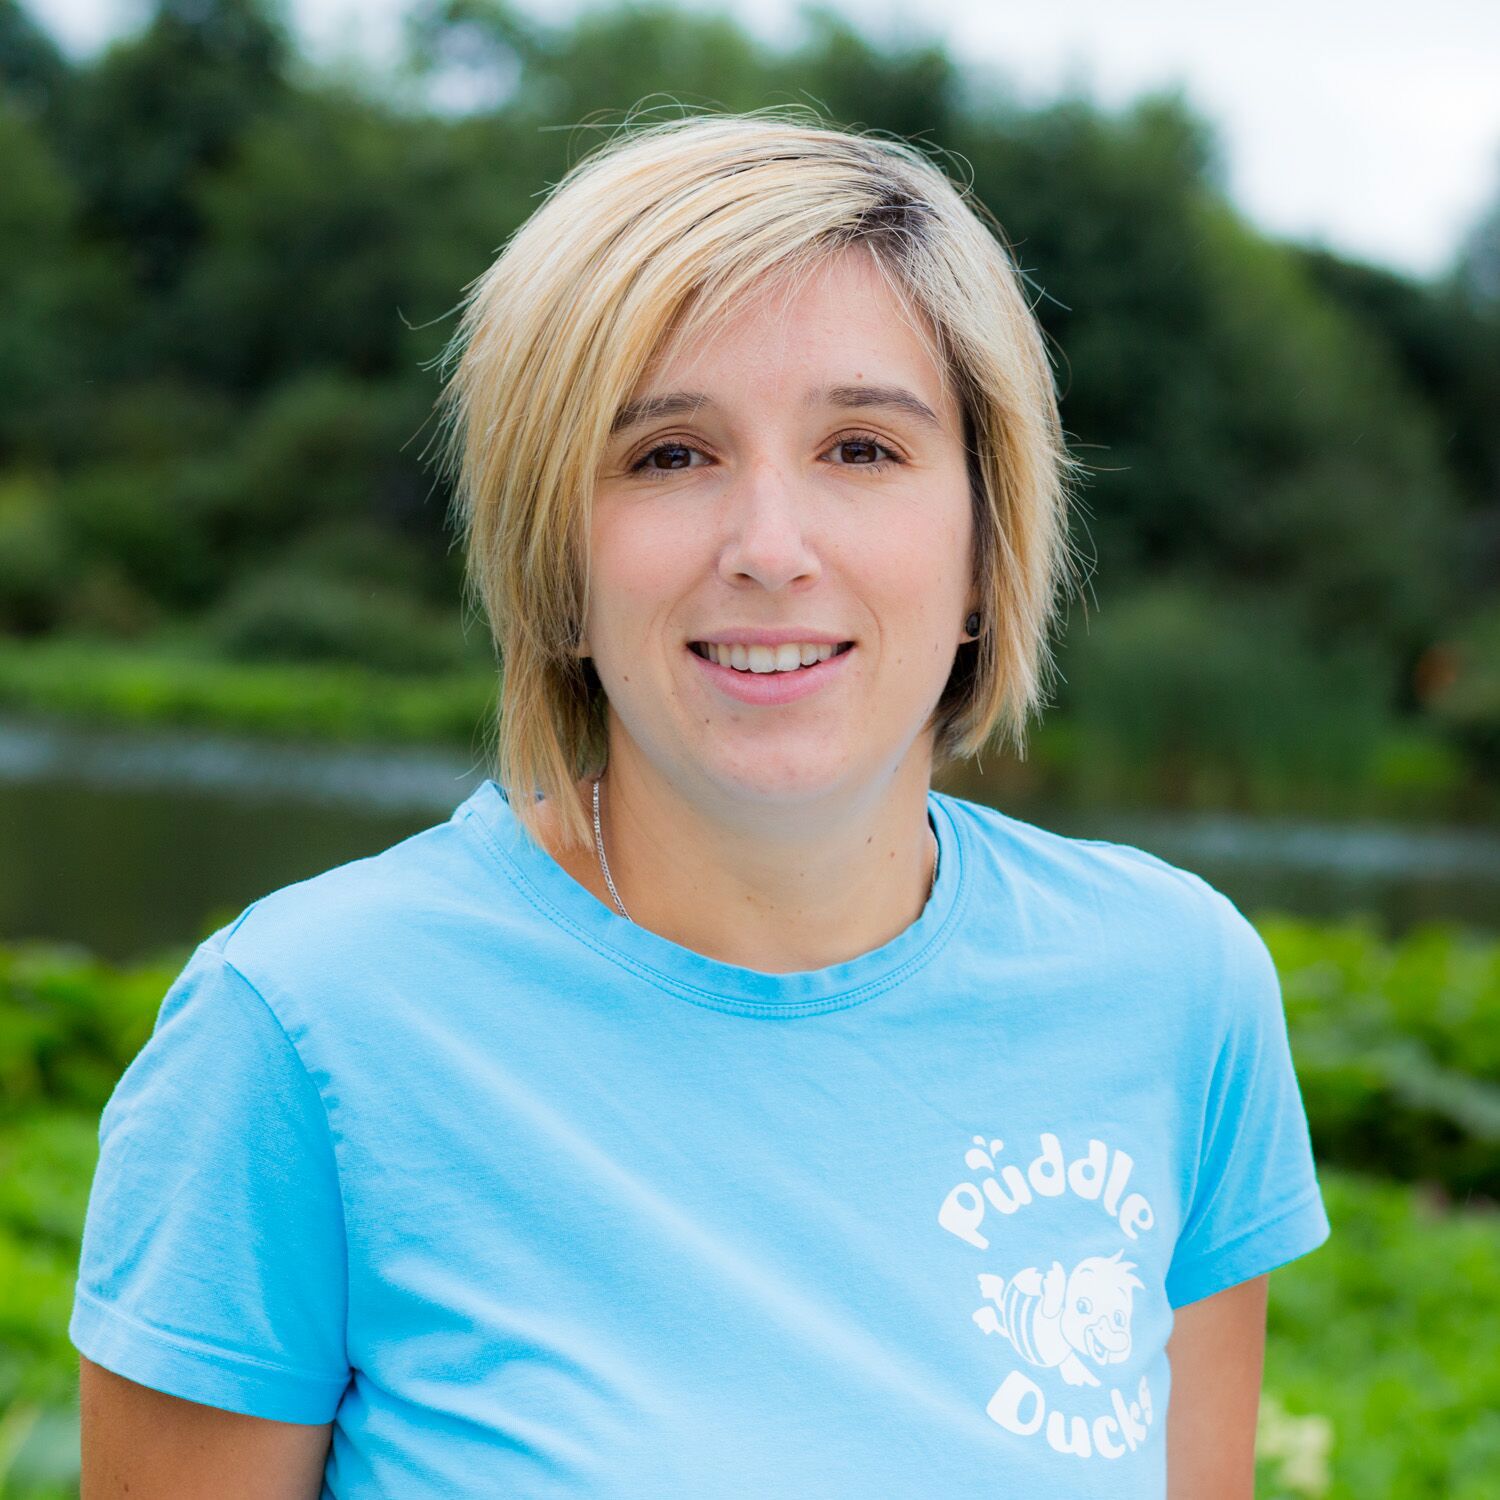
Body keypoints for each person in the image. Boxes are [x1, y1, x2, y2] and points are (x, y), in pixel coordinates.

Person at [71, 109, 1330, 1498]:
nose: (770, 549)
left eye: (863, 448)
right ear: (554, 558)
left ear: (985, 540)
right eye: (669, 454)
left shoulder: (1176, 988)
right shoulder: (298, 1033)